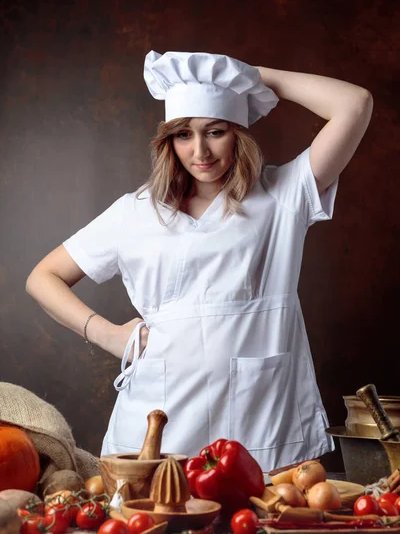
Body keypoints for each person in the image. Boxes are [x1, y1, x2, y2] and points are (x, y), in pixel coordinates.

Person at [26, 50, 373, 472]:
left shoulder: (282, 195)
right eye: (184, 135)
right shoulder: (134, 212)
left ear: (238, 135)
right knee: (150, 529)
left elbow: (355, 104)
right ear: (167, 142)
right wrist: (106, 334)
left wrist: (251, 78)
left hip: (261, 420)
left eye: (215, 131)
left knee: (261, 528)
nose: (201, 151)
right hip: (158, 419)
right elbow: (43, 277)